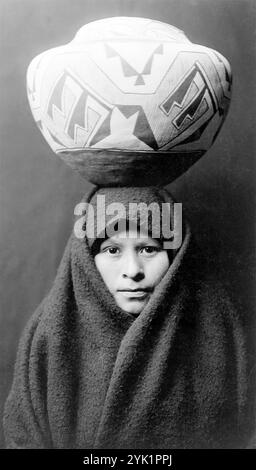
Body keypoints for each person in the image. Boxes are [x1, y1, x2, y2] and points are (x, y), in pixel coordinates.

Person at [3, 186, 254, 448]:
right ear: (86, 258)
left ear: (176, 255)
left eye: (148, 249)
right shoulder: (49, 331)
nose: (133, 270)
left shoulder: (219, 326)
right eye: (112, 250)